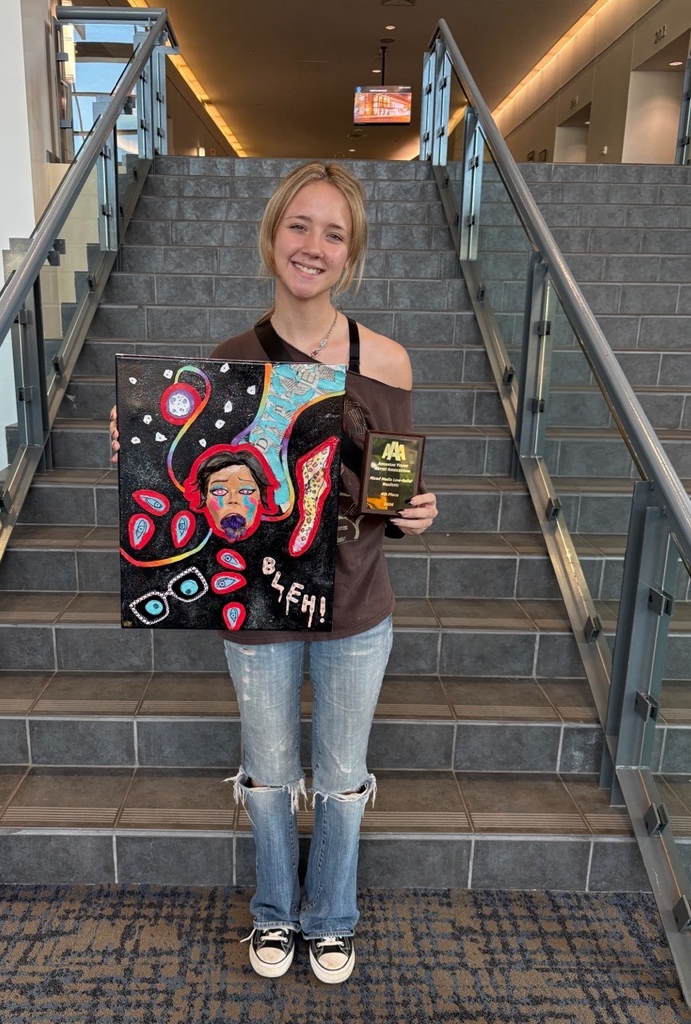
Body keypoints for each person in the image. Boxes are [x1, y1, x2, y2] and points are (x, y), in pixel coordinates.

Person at [110, 161, 438, 983]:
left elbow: (391, 486)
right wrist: (142, 458)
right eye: (299, 226)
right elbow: (203, 488)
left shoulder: (388, 361)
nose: (313, 246)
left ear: (350, 253)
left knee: (339, 773)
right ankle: (273, 912)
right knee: (268, 771)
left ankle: (330, 917)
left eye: (333, 233)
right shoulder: (229, 358)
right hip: (258, 608)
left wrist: (412, 512)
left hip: (358, 602)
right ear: (272, 237)